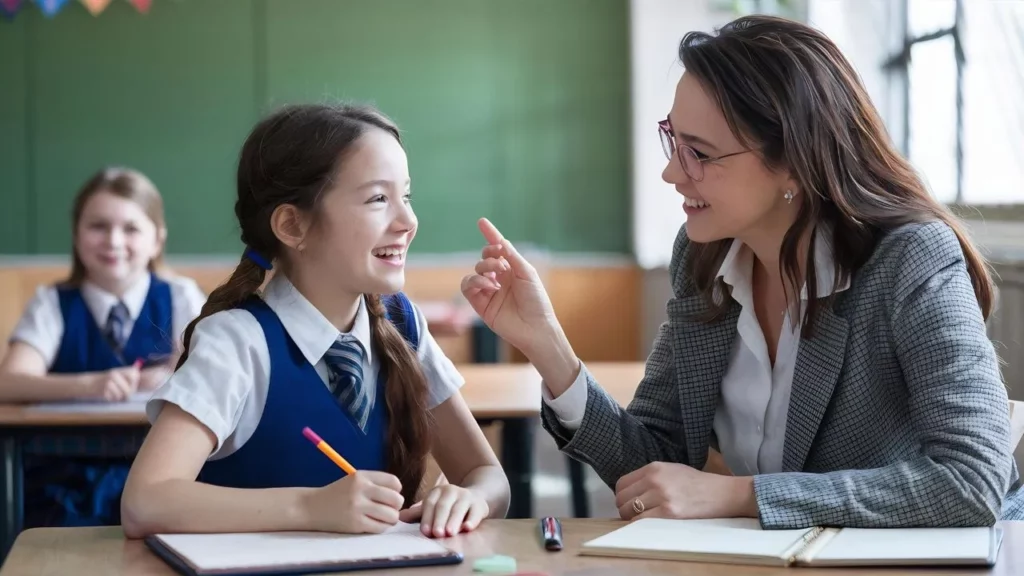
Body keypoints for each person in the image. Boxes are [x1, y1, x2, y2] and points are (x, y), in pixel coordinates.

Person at [460, 15, 1024, 528]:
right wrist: (549, 348)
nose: (670, 174)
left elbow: (971, 481)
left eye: (698, 153)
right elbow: (656, 465)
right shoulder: (703, 257)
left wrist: (741, 495)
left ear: (795, 161)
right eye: (672, 141)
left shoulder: (910, 259)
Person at [121, 103, 510, 539]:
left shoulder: (403, 324)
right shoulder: (239, 343)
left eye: (407, 196)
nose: (408, 221)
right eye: (378, 199)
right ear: (292, 225)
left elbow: (486, 475)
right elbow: (145, 501)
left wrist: (469, 498)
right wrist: (309, 506)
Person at [0, 166, 206, 527]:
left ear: (157, 239)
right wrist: (89, 384)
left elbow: (218, 374)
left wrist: (176, 371)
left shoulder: (181, 296)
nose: (113, 241)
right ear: (77, 236)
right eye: (98, 226)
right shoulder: (52, 303)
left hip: (161, 470)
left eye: (130, 229)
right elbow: (9, 382)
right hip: (63, 479)